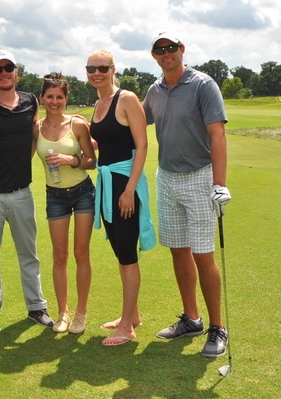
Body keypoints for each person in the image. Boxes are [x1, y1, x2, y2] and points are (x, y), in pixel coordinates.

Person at [143, 32, 231, 357]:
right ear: (153, 55)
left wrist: (219, 183)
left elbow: (218, 134)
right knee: (178, 251)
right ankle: (192, 318)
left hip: (199, 177)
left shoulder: (203, 85)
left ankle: (217, 327)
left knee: (203, 255)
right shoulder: (154, 90)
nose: (166, 53)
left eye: (171, 48)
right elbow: (135, 125)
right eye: (159, 50)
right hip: (166, 178)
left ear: (181, 50)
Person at [0, 49, 54, 335]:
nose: (4, 72)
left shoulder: (31, 101)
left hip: (22, 191)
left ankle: (36, 307)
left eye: (9, 67)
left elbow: (33, 139)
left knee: (28, 253)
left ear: (17, 72)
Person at [86, 50, 156, 346]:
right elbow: (104, 144)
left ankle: (127, 327)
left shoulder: (126, 99)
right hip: (107, 185)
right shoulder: (98, 103)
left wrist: (129, 190)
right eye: (91, 68)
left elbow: (142, 146)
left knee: (127, 256)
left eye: (102, 67)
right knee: (120, 251)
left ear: (113, 69)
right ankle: (133, 314)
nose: (97, 73)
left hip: (124, 186)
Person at [35, 73, 97, 334]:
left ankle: (81, 313)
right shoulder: (36, 127)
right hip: (55, 195)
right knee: (59, 256)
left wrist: (72, 160)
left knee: (80, 253)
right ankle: (63, 313)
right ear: (42, 99)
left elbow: (92, 162)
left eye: (59, 97)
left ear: (65, 99)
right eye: (49, 96)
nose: (54, 101)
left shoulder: (78, 124)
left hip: (83, 192)